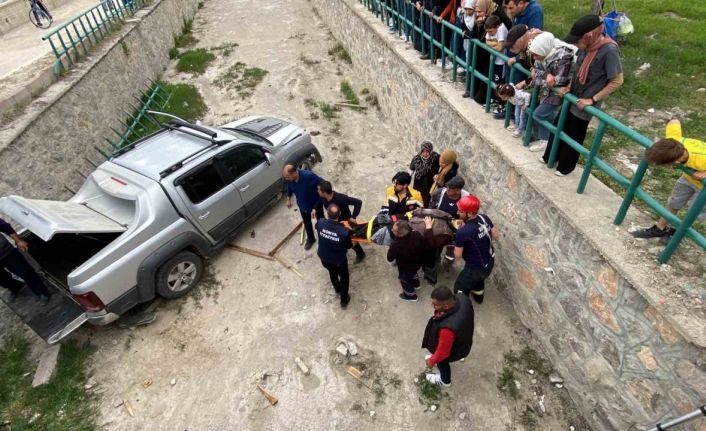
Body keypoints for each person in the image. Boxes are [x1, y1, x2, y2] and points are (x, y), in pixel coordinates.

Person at [541, 15, 623, 176]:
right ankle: (550, 157)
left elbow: (617, 80)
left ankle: (565, 167)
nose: (574, 43)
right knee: (559, 126)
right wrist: (568, 86)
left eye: (577, 40)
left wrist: (593, 99)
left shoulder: (609, 51)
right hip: (572, 96)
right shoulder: (585, 49)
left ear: (589, 36)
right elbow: (578, 71)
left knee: (574, 134)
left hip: (585, 102)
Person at [631, 119, 706, 241]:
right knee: (674, 202)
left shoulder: (702, 158)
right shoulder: (674, 142)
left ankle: (678, 233)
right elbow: (674, 121)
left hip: (704, 188)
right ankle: (659, 228)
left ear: (676, 162)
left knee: (694, 211)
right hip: (688, 179)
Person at [519, 31, 577, 152]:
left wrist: (543, 77)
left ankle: (545, 140)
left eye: (536, 55)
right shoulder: (542, 53)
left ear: (544, 50)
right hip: (546, 90)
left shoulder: (563, 56)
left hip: (559, 92)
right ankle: (539, 135)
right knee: (535, 112)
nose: (535, 58)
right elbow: (535, 70)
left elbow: (560, 80)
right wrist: (547, 75)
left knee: (538, 114)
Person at [421, 286, 475, 387]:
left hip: (454, 349)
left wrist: (432, 361)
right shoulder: (462, 297)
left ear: (446, 306)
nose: (432, 306)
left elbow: (443, 353)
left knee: (441, 362)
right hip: (464, 340)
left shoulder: (447, 329)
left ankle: (444, 381)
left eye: (435, 305)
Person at [454, 195, 498, 303]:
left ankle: (462, 308)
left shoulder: (462, 232)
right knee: (479, 281)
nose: (457, 213)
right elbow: (496, 236)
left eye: (460, 211)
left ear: (469, 213)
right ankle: (479, 298)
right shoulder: (484, 218)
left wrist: (459, 236)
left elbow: (458, 255)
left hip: (474, 268)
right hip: (489, 261)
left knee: (459, 288)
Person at [465, 0, 511, 104]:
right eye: (476, 12)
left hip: (498, 59)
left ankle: (495, 102)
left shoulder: (498, 20)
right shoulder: (485, 19)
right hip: (487, 55)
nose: (477, 14)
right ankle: (474, 92)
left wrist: (493, 44)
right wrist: (479, 25)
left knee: (495, 80)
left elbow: (500, 46)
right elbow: (484, 40)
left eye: (479, 11)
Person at [0, 217, 51, 305]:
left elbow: (5, 226)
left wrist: (18, 240)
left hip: (6, 252)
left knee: (25, 272)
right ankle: (15, 287)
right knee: (2, 279)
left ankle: (42, 292)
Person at [316, 180, 366, 263]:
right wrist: (314, 208)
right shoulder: (323, 198)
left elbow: (358, 202)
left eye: (318, 190)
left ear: (324, 192)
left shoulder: (341, 198)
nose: (317, 191)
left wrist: (353, 217)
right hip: (335, 222)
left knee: (351, 238)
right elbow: (319, 201)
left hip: (345, 222)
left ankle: (360, 254)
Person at [315, 204, 353, 308]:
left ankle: (337, 289)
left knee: (332, 273)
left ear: (327, 214)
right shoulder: (344, 232)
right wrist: (348, 230)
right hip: (338, 261)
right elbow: (349, 246)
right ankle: (344, 300)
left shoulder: (321, 222)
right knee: (344, 278)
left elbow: (317, 227)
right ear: (339, 214)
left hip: (324, 257)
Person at [387, 219, 435, 301]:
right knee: (413, 273)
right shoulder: (416, 234)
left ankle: (410, 296)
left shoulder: (395, 245)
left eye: (394, 230)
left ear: (399, 234)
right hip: (418, 263)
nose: (391, 229)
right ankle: (416, 284)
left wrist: (390, 250)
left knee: (405, 280)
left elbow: (389, 258)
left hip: (405, 267)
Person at [283, 165, 325, 250]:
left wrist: (315, 207)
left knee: (321, 223)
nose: (286, 179)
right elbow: (290, 187)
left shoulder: (309, 176)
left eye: (287, 177)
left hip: (315, 206)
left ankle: (323, 239)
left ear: (294, 173)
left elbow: (323, 187)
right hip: (303, 206)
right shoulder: (289, 180)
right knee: (306, 222)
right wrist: (288, 198)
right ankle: (311, 238)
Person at [483, 15, 509, 115]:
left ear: (497, 27)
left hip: (501, 62)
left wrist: (492, 44)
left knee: (500, 83)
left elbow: (500, 48)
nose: (489, 34)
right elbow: (486, 41)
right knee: (493, 80)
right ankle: (494, 100)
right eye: (488, 32)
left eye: (491, 31)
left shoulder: (501, 29)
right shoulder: (492, 29)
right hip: (494, 60)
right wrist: (495, 44)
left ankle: (501, 104)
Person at [409, 141, 441, 207]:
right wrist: (408, 178)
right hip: (419, 181)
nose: (425, 153)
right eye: (423, 151)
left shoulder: (436, 157)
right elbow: (412, 169)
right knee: (418, 194)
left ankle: (426, 208)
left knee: (429, 195)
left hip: (431, 181)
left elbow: (441, 166)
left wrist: (438, 175)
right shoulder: (416, 158)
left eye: (427, 151)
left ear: (431, 151)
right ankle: (417, 206)